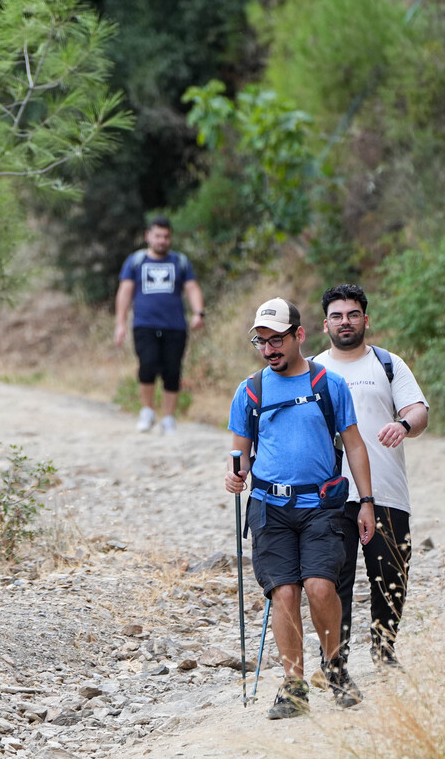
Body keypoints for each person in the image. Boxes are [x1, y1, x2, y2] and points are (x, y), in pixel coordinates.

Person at [225, 297, 376, 719]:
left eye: (278, 340)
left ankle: (336, 669)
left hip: (321, 506)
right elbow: (240, 453)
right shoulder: (251, 389)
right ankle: (293, 686)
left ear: (299, 335)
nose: (270, 349)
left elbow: (355, 445)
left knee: (321, 587)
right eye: (262, 341)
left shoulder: (329, 384)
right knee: (284, 592)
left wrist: (366, 502)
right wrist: (235, 475)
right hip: (268, 507)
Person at [314, 283, 429, 672]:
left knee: (390, 573)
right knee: (333, 579)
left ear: (366, 319)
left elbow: (418, 410)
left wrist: (402, 424)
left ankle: (384, 648)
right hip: (329, 494)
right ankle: (335, 659)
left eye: (352, 315)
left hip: (386, 490)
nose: (345, 322)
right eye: (337, 316)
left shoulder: (387, 363)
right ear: (324, 324)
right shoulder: (311, 369)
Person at [113, 216, 205, 435]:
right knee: (147, 365)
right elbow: (124, 293)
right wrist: (120, 324)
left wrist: (198, 312)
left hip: (175, 326)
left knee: (173, 371)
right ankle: (147, 411)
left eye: (166, 236)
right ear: (148, 236)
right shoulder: (135, 262)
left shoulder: (180, 262)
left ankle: (169, 418)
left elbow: (192, 288)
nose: (162, 240)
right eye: (158, 236)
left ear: (170, 238)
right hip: (144, 324)